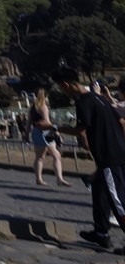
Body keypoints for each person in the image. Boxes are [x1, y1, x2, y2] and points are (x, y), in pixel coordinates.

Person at [53, 67, 125, 254]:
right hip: (118, 152)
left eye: (61, 87)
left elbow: (80, 130)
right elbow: (122, 122)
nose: (62, 91)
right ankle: (101, 232)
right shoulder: (99, 98)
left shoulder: (84, 102)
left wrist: (55, 126)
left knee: (117, 200)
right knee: (99, 190)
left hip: (110, 157)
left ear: (66, 85)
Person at [28, 88, 71, 187]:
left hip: (35, 132)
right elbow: (47, 123)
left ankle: (39, 178)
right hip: (45, 132)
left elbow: (28, 123)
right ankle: (59, 179)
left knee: (39, 157)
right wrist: (57, 133)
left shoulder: (33, 107)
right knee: (56, 156)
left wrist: (26, 134)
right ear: (45, 96)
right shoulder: (43, 107)